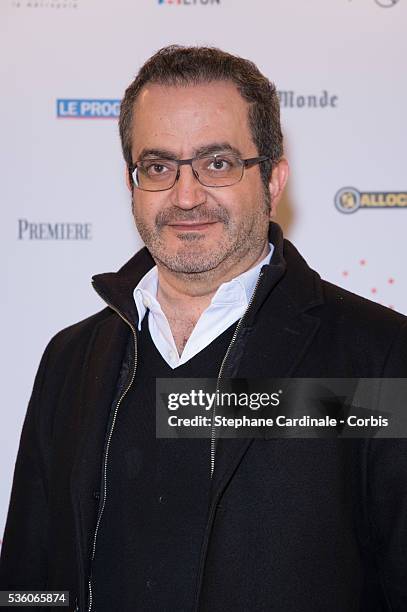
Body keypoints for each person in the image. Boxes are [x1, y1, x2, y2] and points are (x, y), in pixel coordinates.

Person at [1, 45, 406, 612]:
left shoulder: (379, 357)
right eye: (159, 167)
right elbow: (29, 580)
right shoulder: (72, 359)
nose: (186, 196)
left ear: (273, 180)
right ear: (132, 182)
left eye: (217, 163)